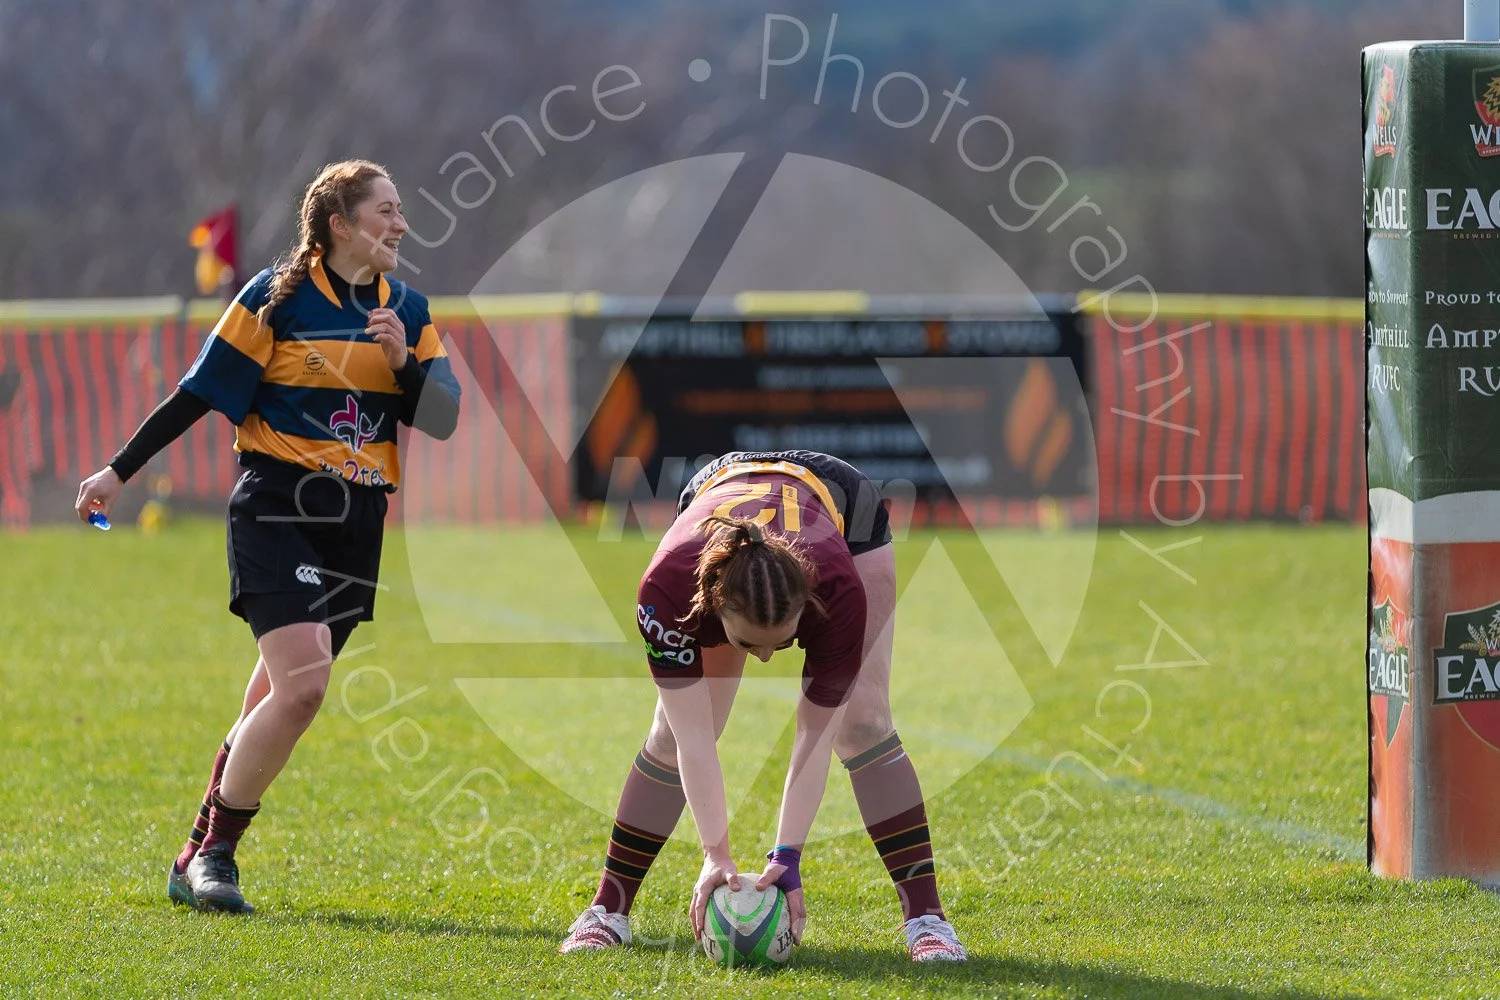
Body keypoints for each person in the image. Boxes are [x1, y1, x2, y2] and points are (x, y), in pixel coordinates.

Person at [74, 160, 461, 913]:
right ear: (340, 223)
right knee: (305, 685)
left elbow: (442, 418)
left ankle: (194, 852)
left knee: (271, 698)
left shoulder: (408, 310)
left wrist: (403, 366)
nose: (400, 225)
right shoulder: (273, 298)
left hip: (357, 525)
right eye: (385, 211)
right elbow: (198, 392)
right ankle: (218, 856)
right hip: (278, 509)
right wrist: (119, 471)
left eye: (402, 211)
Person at [559, 450, 967, 962]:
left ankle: (926, 919)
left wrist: (787, 856)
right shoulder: (666, 590)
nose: (769, 658)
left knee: (862, 722)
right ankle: (606, 911)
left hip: (842, 508)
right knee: (671, 731)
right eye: (751, 645)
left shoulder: (838, 591)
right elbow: (693, 740)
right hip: (717, 492)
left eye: (782, 640)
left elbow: (813, 738)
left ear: (808, 609)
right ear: (713, 608)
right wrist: (715, 854)